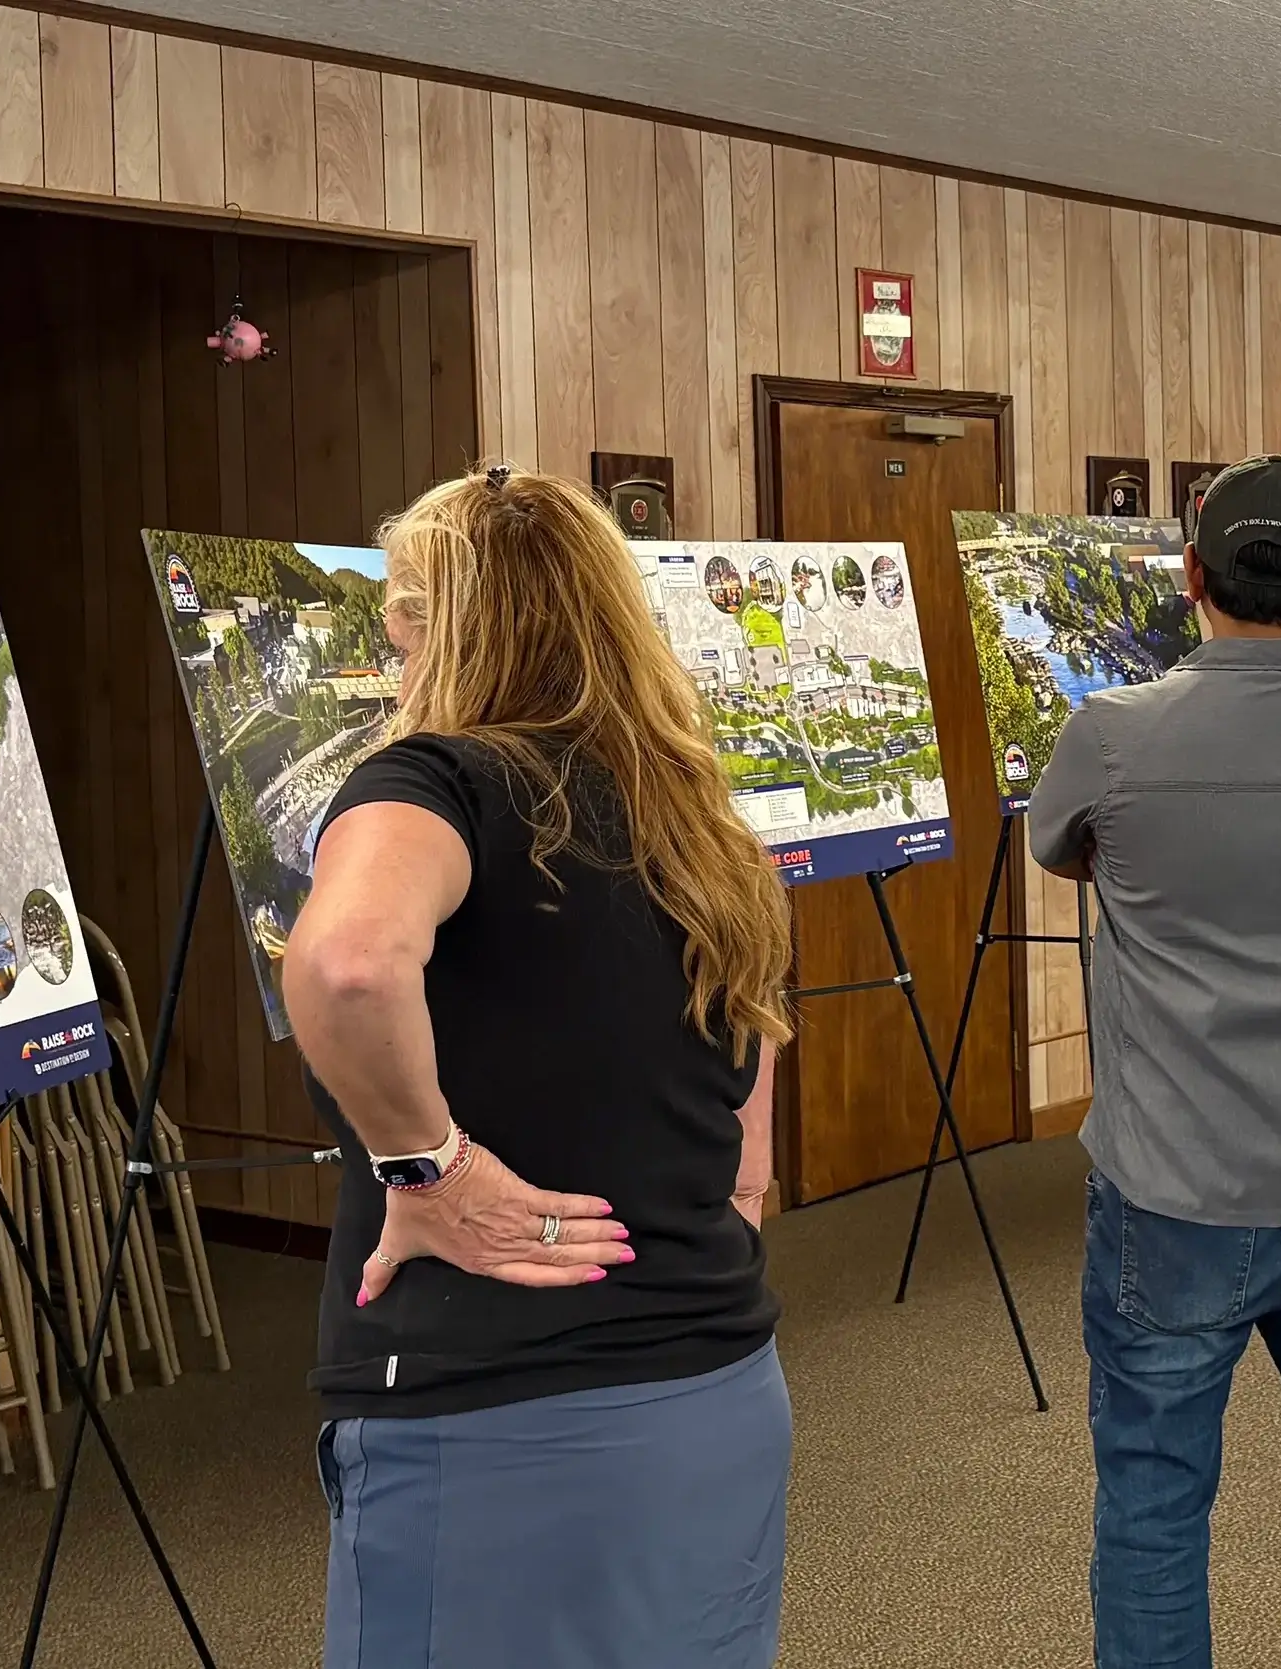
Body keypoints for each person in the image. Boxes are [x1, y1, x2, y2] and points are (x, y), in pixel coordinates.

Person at [282, 465, 795, 1669]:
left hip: (498, 1427)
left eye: (403, 637)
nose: (398, 669)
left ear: (444, 633)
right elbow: (753, 1083)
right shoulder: (698, 818)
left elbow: (347, 964)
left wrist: (433, 1170)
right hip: (716, 1390)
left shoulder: (434, 780)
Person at [1029, 454, 1281, 1668]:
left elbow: (1062, 848)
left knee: (1156, 1509)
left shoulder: (1114, 735)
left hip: (1173, 1190)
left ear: (1191, 578)